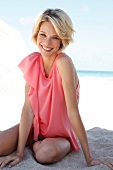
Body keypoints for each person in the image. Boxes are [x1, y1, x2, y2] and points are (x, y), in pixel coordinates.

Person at [0, 8, 113, 169]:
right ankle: (32, 143)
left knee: (45, 154)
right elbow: (27, 110)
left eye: (55, 37)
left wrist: (89, 159)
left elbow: (73, 112)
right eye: (43, 35)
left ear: (62, 40)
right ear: (36, 34)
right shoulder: (33, 62)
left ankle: (35, 146)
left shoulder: (63, 63)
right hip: (35, 129)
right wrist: (18, 153)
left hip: (61, 136)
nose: (47, 43)